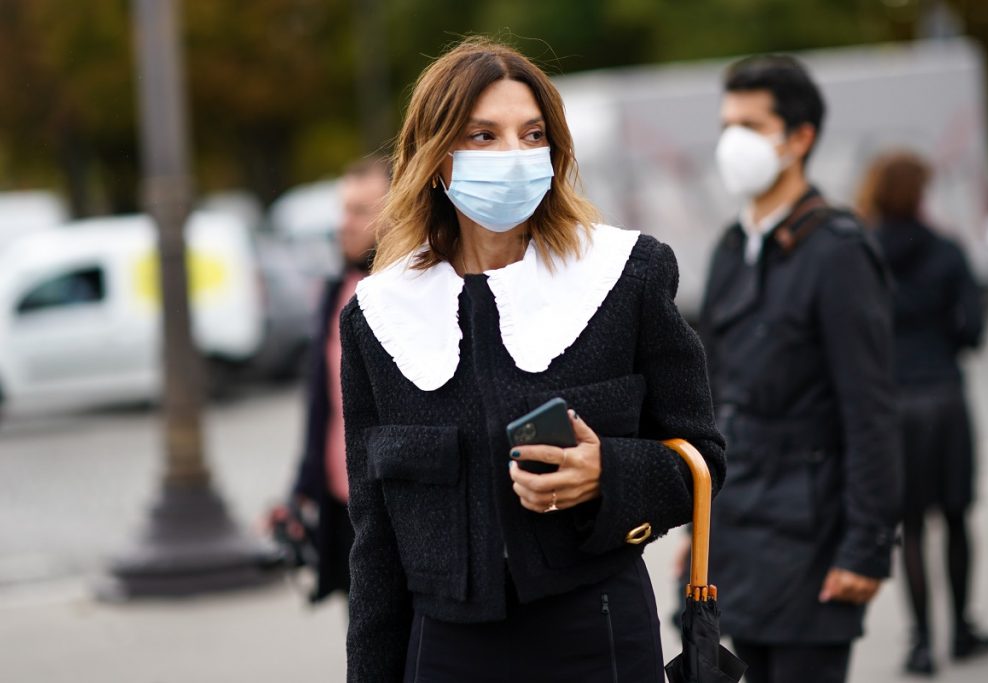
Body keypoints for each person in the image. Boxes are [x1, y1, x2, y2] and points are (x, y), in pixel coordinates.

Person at [339, 37, 725, 682]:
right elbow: (374, 544)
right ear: (436, 158)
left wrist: (610, 473)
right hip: (445, 651)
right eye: (483, 136)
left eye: (532, 133)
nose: (513, 156)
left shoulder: (624, 274)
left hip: (596, 628)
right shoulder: (379, 314)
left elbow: (704, 458)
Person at [698, 55, 901, 683]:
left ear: (800, 138)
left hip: (813, 548)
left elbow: (870, 412)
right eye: (727, 123)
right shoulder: (731, 249)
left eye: (751, 126)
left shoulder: (837, 251)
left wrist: (866, 547)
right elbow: (715, 403)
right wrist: (700, 533)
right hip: (740, 541)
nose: (732, 141)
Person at [858, 151, 988, 676]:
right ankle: (962, 629)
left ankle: (921, 642)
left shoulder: (864, 253)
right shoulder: (946, 250)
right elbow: (973, 331)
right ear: (919, 194)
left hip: (892, 404)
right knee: (956, 517)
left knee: (910, 525)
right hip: (944, 397)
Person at [271, 156, 390, 602]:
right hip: (343, 506)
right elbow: (322, 406)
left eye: (360, 211)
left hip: (396, 510)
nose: (344, 224)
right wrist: (301, 491)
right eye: (342, 210)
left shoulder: (419, 294)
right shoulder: (335, 292)